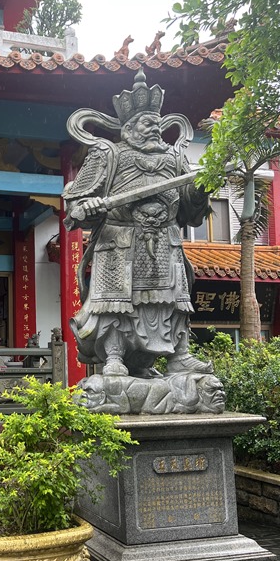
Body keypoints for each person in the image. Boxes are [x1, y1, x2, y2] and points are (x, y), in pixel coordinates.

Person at [64, 69, 213, 380]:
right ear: (129, 128)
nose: (155, 128)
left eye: (158, 124)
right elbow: (76, 202)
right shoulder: (108, 154)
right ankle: (114, 357)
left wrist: (201, 189)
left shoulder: (175, 158)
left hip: (165, 240)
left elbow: (190, 210)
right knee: (115, 304)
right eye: (148, 123)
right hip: (119, 241)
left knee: (174, 302)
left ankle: (180, 356)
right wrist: (87, 207)